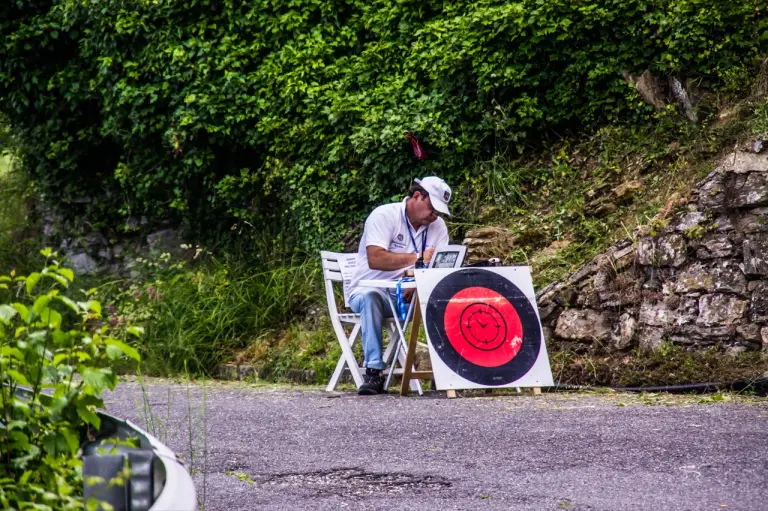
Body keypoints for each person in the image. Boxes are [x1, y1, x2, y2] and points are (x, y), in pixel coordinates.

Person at [348, 176, 452, 395]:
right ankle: (373, 371)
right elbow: (375, 258)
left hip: (413, 293)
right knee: (370, 297)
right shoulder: (385, 215)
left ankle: (445, 370)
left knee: (444, 298)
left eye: (439, 212)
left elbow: (441, 268)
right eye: (433, 207)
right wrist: (418, 258)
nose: (435, 215)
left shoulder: (438, 226)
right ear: (416, 196)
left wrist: (416, 285)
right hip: (372, 291)